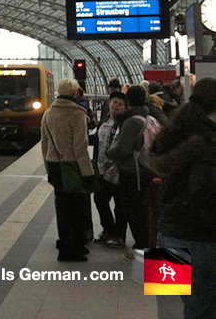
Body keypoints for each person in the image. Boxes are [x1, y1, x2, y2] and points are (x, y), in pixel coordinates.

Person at [150, 77, 216, 319]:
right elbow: (205, 194)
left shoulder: (174, 132)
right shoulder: (208, 143)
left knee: (185, 304)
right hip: (200, 239)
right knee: (203, 310)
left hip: (167, 232)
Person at [40, 78, 95, 262]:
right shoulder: (77, 114)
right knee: (77, 208)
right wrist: (87, 173)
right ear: (74, 93)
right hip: (72, 166)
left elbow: (44, 145)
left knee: (62, 208)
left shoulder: (48, 113)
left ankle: (66, 245)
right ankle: (74, 247)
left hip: (55, 166)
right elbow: (80, 149)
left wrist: (48, 170)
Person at [106, 85, 155, 250]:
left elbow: (123, 150)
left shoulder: (131, 121)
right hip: (147, 169)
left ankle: (141, 247)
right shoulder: (149, 118)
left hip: (133, 172)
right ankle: (146, 245)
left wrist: (109, 152)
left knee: (134, 211)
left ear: (128, 101)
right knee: (143, 210)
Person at [91, 90, 127, 248]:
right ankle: (109, 229)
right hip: (101, 170)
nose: (116, 106)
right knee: (99, 199)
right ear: (109, 103)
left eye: (120, 104)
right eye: (114, 102)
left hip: (118, 171)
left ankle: (119, 235)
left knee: (120, 205)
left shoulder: (125, 124)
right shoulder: (104, 121)